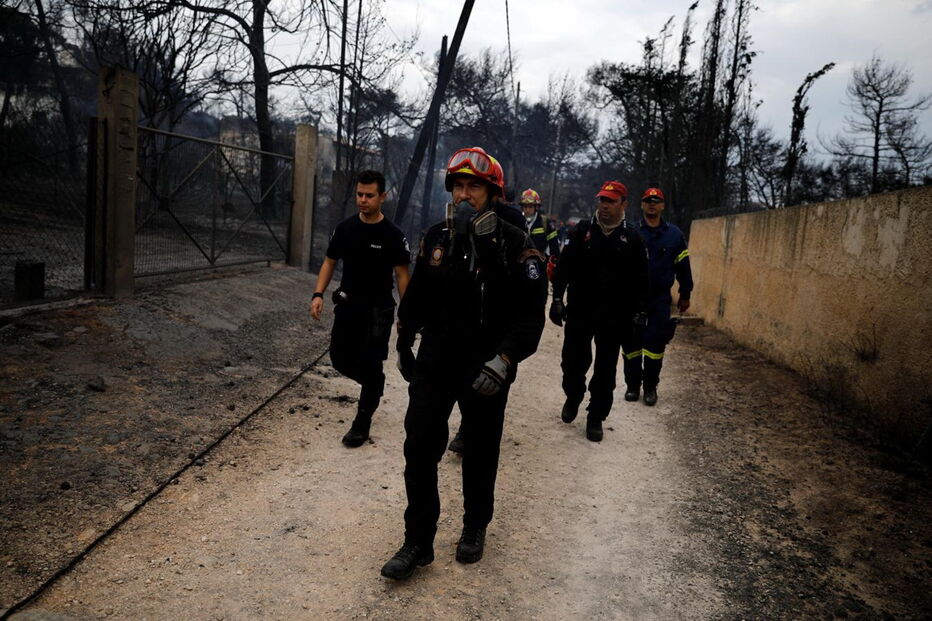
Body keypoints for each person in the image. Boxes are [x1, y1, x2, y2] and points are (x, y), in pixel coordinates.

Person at [380, 146, 547, 580]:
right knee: (419, 447)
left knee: (480, 450)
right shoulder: (436, 237)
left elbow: (531, 315)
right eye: (458, 185)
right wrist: (404, 340)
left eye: (474, 186)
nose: (464, 194)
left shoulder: (515, 243)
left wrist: (505, 359)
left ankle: (475, 525)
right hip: (436, 360)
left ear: (492, 193)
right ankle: (417, 541)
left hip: (486, 365)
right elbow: (416, 294)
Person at [310, 170, 411, 447]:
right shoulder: (345, 229)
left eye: (369, 195)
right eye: (359, 194)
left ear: (382, 197)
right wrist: (318, 294)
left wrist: (407, 313)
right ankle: (374, 383)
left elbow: (402, 275)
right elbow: (330, 261)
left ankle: (361, 423)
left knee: (371, 361)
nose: (363, 200)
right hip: (348, 306)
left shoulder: (393, 235)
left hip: (378, 311)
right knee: (339, 358)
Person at [549, 181, 649, 442]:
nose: (604, 206)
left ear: (623, 204)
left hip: (614, 316)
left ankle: (595, 416)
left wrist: (640, 312)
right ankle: (574, 395)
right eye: (602, 200)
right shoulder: (582, 231)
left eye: (611, 201)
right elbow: (564, 267)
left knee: (605, 370)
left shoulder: (633, 239)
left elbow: (641, 280)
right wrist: (557, 298)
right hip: (580, 310)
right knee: (572, 362)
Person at [623, 186, 693, 406]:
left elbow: (683, 266)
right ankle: (632, 386)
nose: (652, 204)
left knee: (655, 346)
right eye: (648, 201)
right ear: (642, 205)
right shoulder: (631, 231)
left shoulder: (674, 235)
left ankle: (650, 387)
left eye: (656, 201)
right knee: (631, 345)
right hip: (632, 299)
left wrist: (685, 293)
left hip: (659, 300)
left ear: (662, 206)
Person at [519, 188, 561, 259]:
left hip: (540, 262)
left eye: (530, 206)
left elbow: (554, 245)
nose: (527, 210)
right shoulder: (517, 220)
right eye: (525, 207)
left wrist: (554, 261)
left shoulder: (545, 223)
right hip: (520, 262)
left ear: (536, 207)